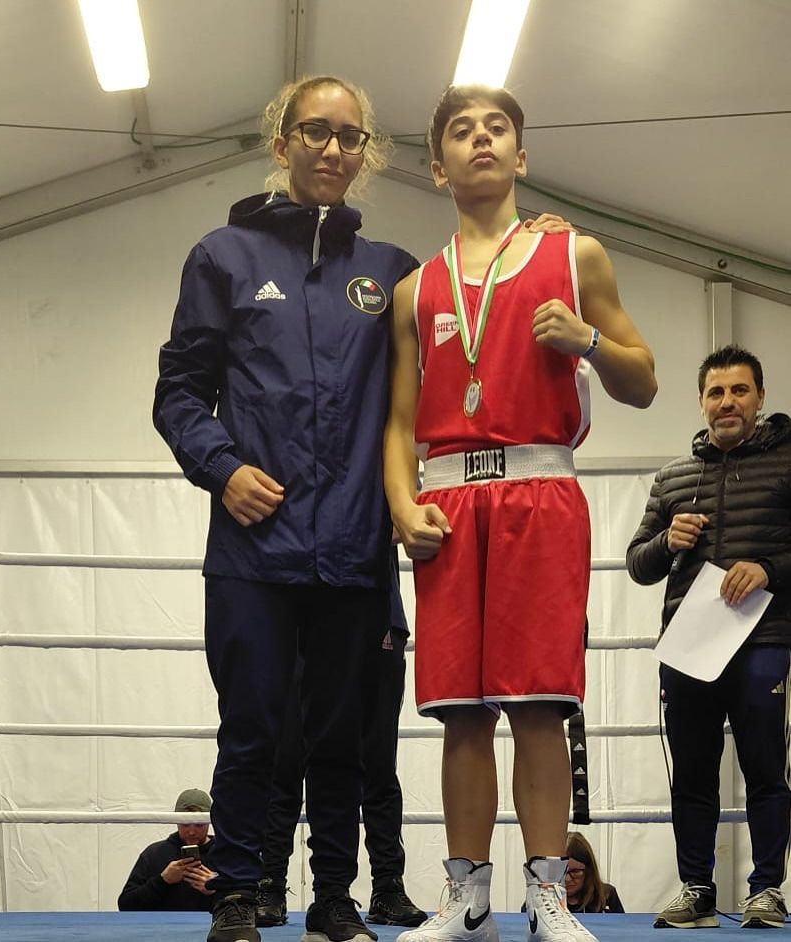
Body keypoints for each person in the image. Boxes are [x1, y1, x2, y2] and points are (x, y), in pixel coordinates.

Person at [383, 84, 657, 942]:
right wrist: (401, 504)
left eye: (497, 128)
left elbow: (644, 379)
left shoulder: (576, 256)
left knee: (539, 707)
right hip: (449, 503)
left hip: (541, 494)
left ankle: (547, 897)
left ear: (522, 155)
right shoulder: (414, 289)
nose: (481, 140)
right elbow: (397, 421)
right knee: (460, 714)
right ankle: (467, 901)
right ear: (438, 167)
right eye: (462, 132)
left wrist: (588, 342)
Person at [153, 75, 419, 942]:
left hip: (354, 545)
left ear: (365, 152)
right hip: (252, 549)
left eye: (350, 136)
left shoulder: (393, 273)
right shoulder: (222, 256)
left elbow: (440, 375)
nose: (333, 149)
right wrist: (223, 468)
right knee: (252, 730)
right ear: (282, 143)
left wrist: (536, 239)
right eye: (316, 131)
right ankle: (237, 894)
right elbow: (179, 392)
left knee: (343, 737)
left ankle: (333, 898)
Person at [627, 344, 791, 931]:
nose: (727, 402)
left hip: (764, 637)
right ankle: (696, 889)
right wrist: (666, 541)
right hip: (690, 645)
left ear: (760, 397)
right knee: (693, 773)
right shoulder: (673, 477)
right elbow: (637, 563)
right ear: (701, 401)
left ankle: (766, 891)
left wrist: (768, 568)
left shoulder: (786, 462)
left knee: (765, 768)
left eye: (739, 390)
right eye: (716, 392)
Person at [257, 558, 426, 929]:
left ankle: (387, 886)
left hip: (377, 612)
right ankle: (270, 883)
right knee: (288, 756)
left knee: (378, 759)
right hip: (305, 611)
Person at [118, 787, 216, 911]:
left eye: (199, 824)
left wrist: (215, 889)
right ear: (176, 821)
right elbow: (125, 905)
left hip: (214, 923)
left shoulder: (225, 855)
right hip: (162, 924)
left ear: (209, 821)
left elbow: (240, 902)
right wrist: (163, 880)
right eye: (185, 823)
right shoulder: (154, 854)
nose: (191, 831)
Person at [563, 832, 624, 914]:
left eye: (575, 871)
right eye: (561, 871)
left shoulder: (607, 895)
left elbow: (622, 922)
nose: (567, 879)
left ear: (589, 871)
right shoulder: (545, 900)